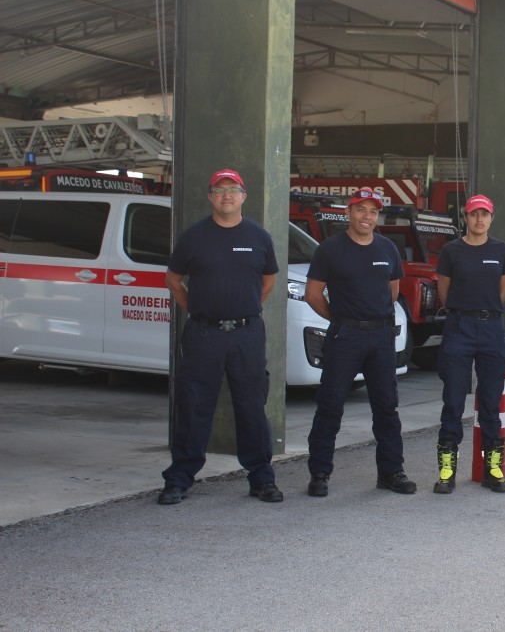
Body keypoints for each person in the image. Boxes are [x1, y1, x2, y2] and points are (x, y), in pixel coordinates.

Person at [159, 168, 283, 505]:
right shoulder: (193, 237)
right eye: (219, 190)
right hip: (204, 334)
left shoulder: (259, 237)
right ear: (210, 197)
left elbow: (268, 280)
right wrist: (198, 309)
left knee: (251, 406)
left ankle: (261, 478)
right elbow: (173, 279)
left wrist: (246, 308)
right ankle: (179, 478)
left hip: (246, 335)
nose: (226, 195)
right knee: (194, 405)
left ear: (244, 196)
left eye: (233, 190)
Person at [304, 187, 416, 496]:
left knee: (386, 407)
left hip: (381, 336)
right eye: (361, 209)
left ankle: (391, 472)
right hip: (346, 336)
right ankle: (319, 473)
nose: (367, 216)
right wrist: (341, 319)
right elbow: (312, 295)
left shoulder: (388, 248)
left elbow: (392, 292)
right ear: (349, 213)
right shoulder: (330, 249)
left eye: (373, 211)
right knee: (330, 405)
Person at [433, 194, 505, 494]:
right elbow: (445, 291)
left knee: (491, 403)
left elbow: (501, 291)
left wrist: (484, 312)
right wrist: (464, 312)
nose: (479, 219)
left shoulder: (501, 250)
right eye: (473, 214)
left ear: (491, 218)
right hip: (459, 327)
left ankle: (492, 468)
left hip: (491, 328)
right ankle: (447, 471)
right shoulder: (451, 250)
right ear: (465, 218)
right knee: (453, 401)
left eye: (484, 214)